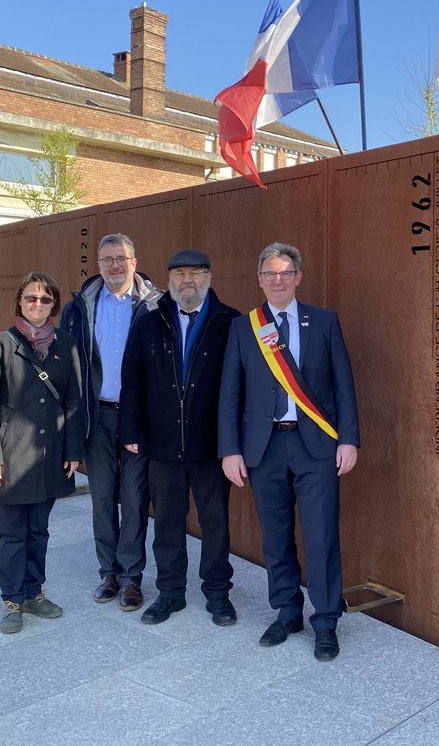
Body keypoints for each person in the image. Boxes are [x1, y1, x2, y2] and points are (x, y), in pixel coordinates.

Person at [219, 242, 360, 661]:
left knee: (320, 534)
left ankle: (326, 620)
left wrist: (348, 439)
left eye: (285, 273)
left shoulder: (323, 321)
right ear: (259, 279)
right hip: (263, 447)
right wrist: (230, 449)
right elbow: (230, 393)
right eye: (270, 274)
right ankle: (287, 611)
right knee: (276, 534)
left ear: (298, 277)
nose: (277, 280)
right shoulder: (244, 327)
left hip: (315, 445)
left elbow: (344, 385)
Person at [119, 249, 241, 625]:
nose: (188, 280)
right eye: (180, 273)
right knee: (167, 521)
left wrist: (234, 442)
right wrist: (130, 429)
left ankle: (217, 593)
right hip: (163, 442)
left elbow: (240, 386)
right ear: (170, 279)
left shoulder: (230, 322)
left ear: (209, 276)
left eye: (196, 273)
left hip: (211, 444)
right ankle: (170, 593)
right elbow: (132, 379)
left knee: (215, 522)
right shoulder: (149, 323)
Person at [0, 272, 83, 634]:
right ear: (19, 302)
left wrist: (72, 450)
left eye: (45, 299)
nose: (38, 304)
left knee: (39, 530)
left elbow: (74, 402)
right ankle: (12, 600)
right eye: (31, 298)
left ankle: (35, 592)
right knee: (12, 534)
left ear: (55, 304)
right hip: (9, 455)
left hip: (48, 456)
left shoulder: (66, 343)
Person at [59, 234, 162, 612]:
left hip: (138, 417)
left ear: (135, 261)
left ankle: (132, 577)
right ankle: (110, 573)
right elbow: (67, 367)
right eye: (107, 259)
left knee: (134, 499)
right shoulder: (80, 306)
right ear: (99, 265)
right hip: (96, 415)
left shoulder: (155, 305)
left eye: (121, 258)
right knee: (102, 497)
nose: (115, 265)